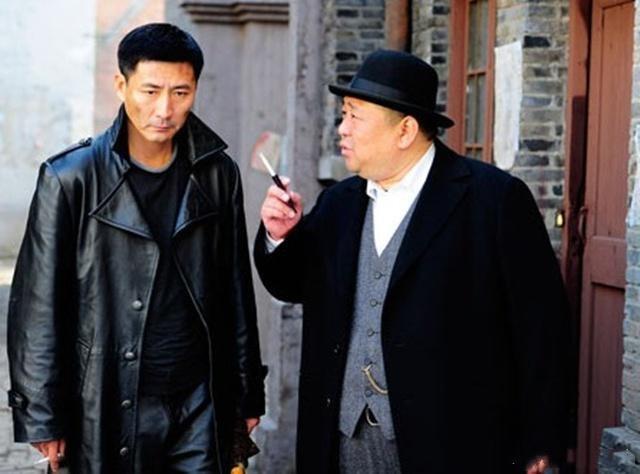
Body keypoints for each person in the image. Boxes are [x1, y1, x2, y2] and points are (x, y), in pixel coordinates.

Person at [254, 49, 569, 473]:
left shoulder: (493, 201)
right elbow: (291, 284)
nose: (342, 129)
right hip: (343, 438)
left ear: (405, 130)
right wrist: (278, 235)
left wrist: (541, 441)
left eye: (355, 116)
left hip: (453, 444)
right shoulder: (339, 203)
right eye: (344, 114)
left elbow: (542, 331)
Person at [7, 23, 265, 474]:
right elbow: (37, 307)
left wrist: (246, 393)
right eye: (150, 91)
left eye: (181, 93)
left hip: (200, 398)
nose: (164, 109)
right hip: (107, 396)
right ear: (121, 85)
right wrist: (43, 415)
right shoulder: (71, 178)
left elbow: (235, 290)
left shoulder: (217, 173)